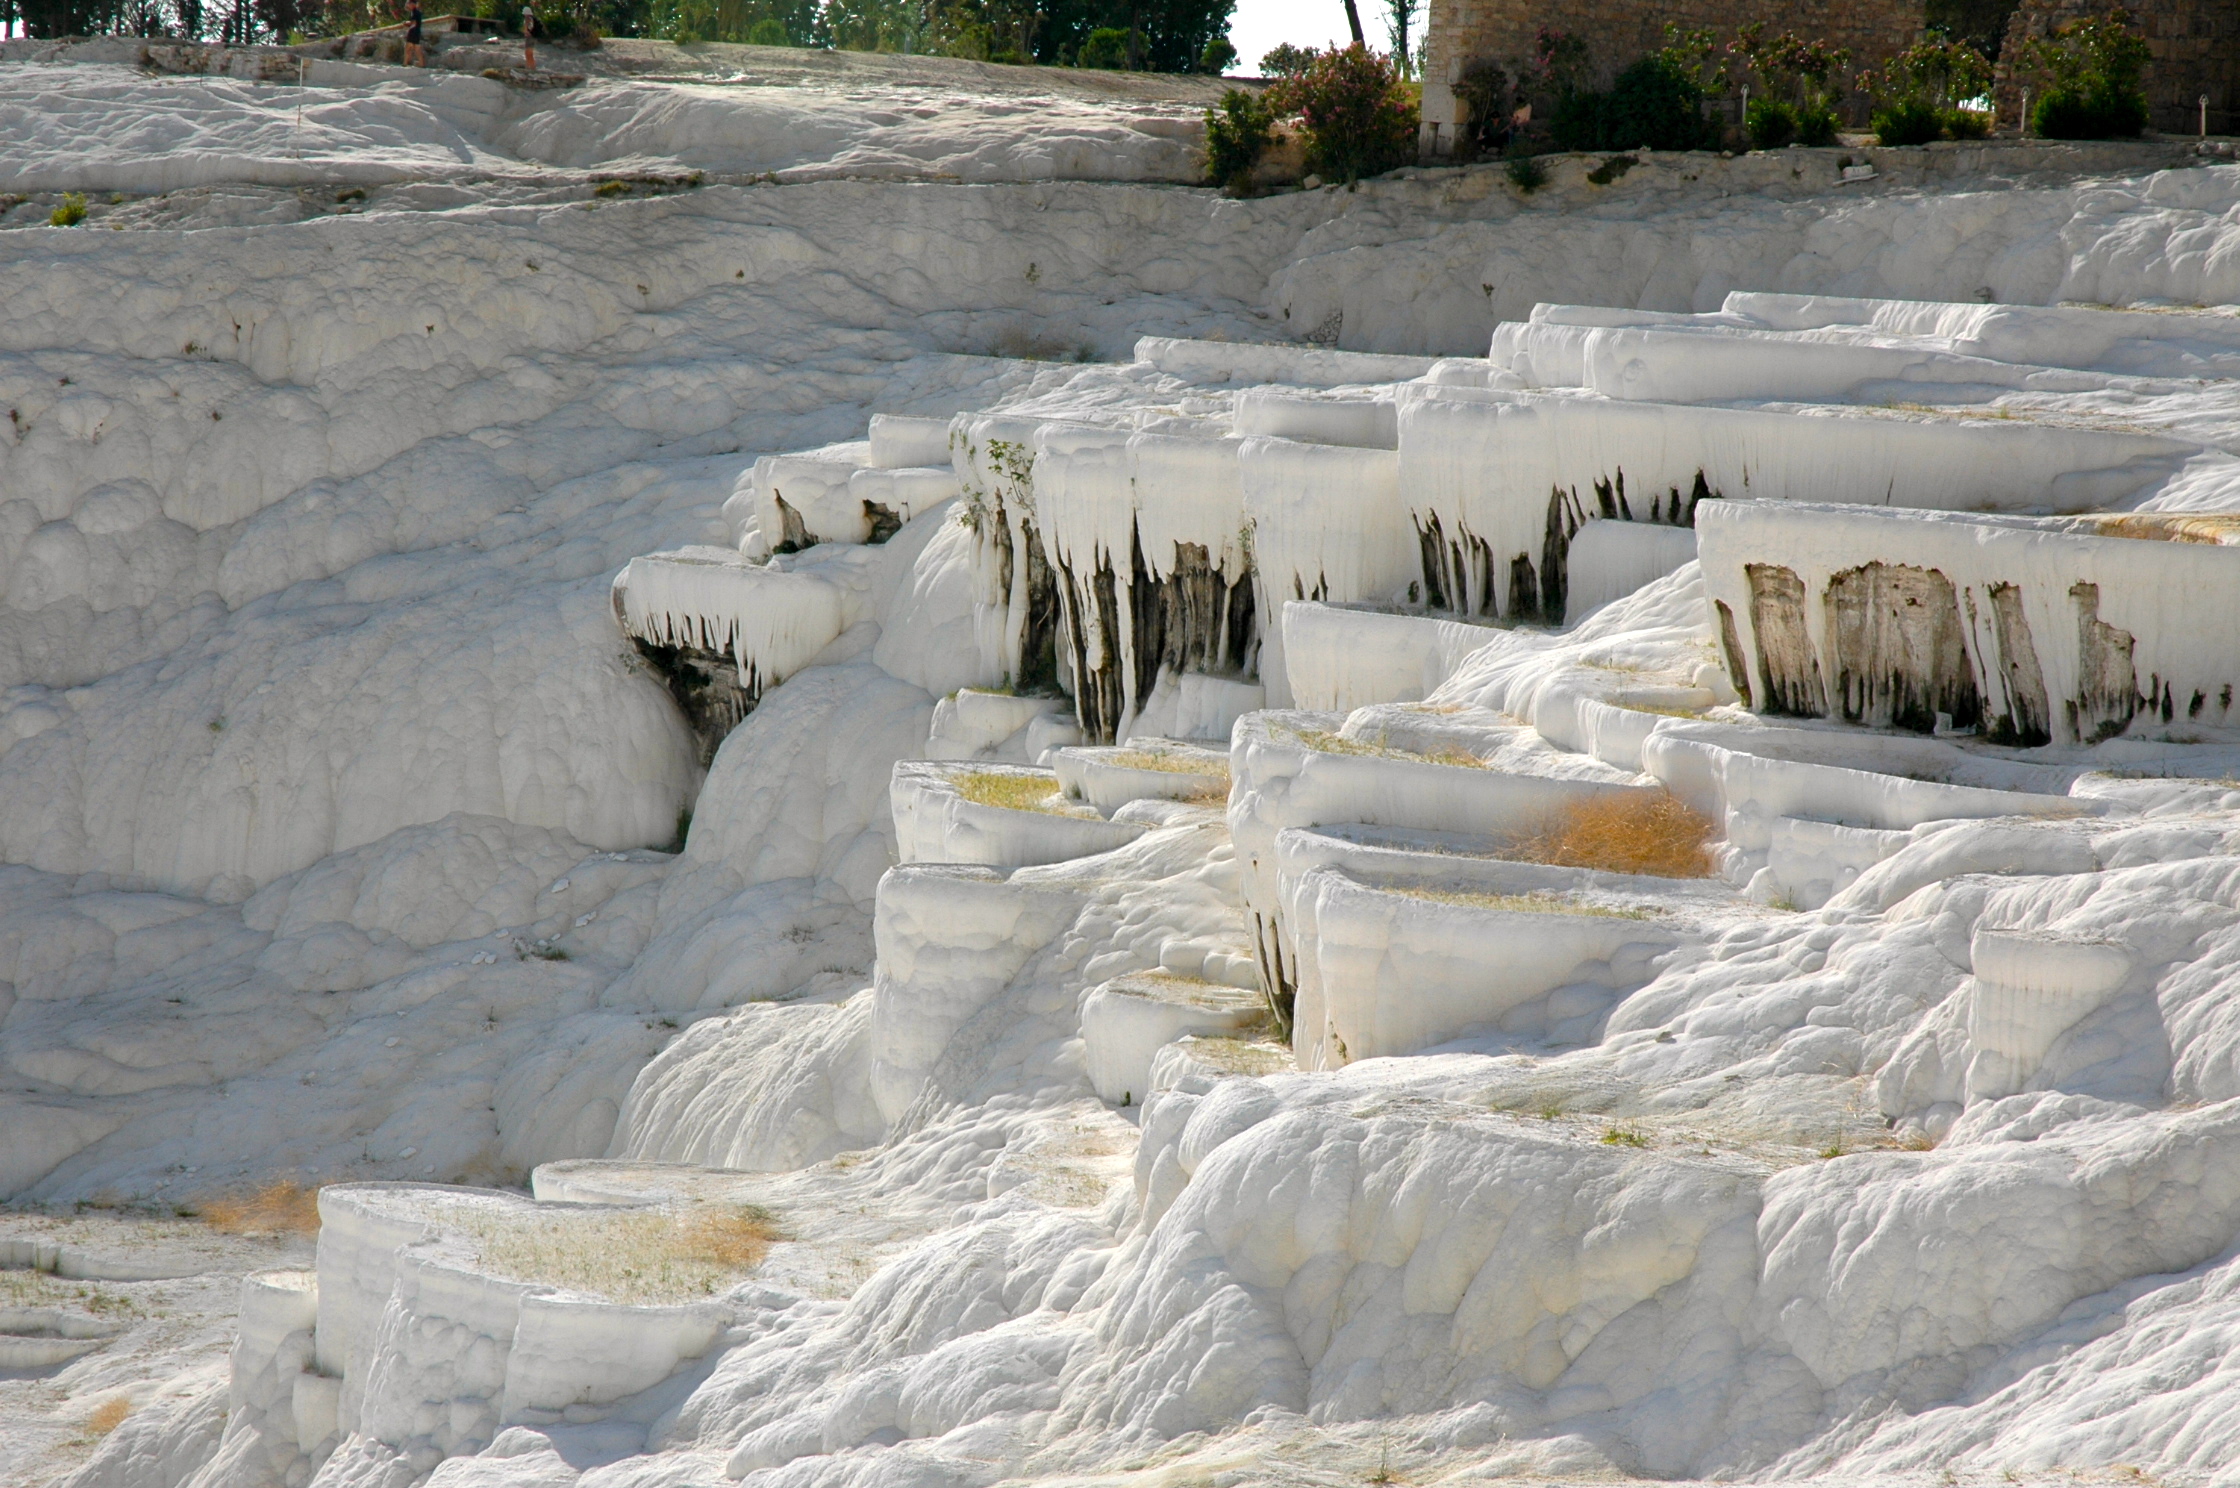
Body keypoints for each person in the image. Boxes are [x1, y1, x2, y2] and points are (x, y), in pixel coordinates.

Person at [403, 0, 424, 66]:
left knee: (407, 48)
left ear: (412, 4)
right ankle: (421, 63)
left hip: (413, 32)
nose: (408, 5)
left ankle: (405, 63)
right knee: (417, 49)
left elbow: (414, 23)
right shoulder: (418, 12)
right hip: (417, 32)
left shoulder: (414, 12)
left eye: (409, 3)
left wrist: (406, 23)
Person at [521, 5, 537, 70]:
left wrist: (525, 32)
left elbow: (526, 29)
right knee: (530, 53)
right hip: (532, 37)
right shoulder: (532, 19)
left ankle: (529, 67)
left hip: (529, 38)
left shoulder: (527, 19)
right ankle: (532, 67)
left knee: (528, 53)